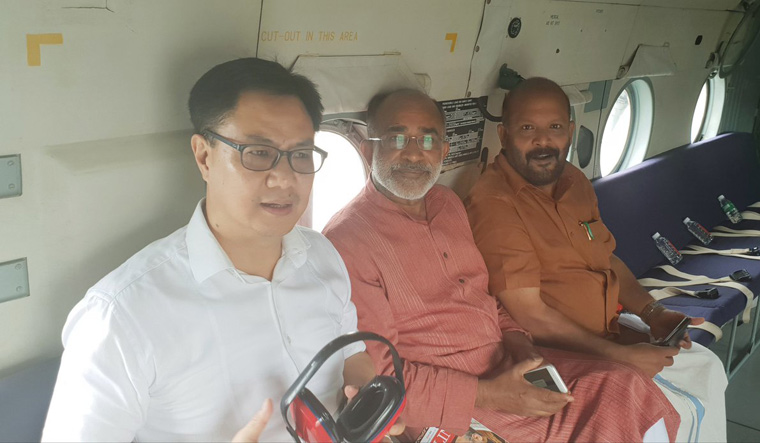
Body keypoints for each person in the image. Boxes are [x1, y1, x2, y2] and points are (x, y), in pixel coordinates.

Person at [41, 57, 380, 442]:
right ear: (204, 156)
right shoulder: (121, 319)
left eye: (301, 155)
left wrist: (367, 402)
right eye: (258, 152)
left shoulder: (323, 257)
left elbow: (351, 355)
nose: (285, 178)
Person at [323, 88, 680, 442]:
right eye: (396, 137)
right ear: (368, 149)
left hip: (504, 362)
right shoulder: (347, 240)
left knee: (624, 385)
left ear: (444, 152)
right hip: (451, 400)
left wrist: (520, 345)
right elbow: (380, 379)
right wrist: (491, 394)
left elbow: (485, 296)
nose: (414, 154)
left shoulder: (448, 204)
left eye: (428, 140)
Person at [465, 77, 728, 442]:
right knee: (667, 416)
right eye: (528, 128)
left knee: (708, 366)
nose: (543, 140)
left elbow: (608, 260)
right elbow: (528, 314)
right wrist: (622, 357)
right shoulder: (495, 203)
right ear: (505, 135)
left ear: (571, 131)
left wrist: (654, 314)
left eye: (555, 127)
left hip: (608, 331)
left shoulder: (574, 181)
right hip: (560, 351)